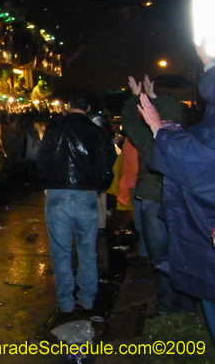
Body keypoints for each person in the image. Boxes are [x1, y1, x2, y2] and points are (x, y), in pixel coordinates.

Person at [137, 41, 215, 339]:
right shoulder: (195, 122)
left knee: (164, 255)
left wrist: (158, 127)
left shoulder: (179, 128)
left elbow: (200, 160)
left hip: (157, 198)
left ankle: (173, 307)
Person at [35, 91, 116, 312]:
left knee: (60, 251)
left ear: (69, 105)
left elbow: (41, 157)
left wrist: (45, 184)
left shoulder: (55, 128)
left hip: (57, 194)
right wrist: (99, 186)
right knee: (87, 249)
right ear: (88, 108)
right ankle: (88, 298)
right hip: (86, 195)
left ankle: (65, 303)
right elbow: (109, 161)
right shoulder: (97, 132)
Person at [123, 74, 197, 315]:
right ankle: (186, 305)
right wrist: (155, 97)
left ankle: (168, 306)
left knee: (161, 257)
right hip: (184, 201)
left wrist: (136, 96)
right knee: (183, 254)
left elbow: (129, 123)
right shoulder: (188, 135)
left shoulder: (148, 138)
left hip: (154, 199)